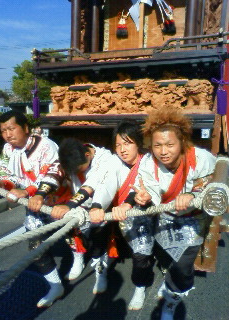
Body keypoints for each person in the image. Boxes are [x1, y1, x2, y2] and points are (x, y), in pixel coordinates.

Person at [123, 108, 216, 320]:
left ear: (182, 141)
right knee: (140, 241)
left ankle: (172, 299)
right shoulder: (148, 162)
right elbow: (148, 190)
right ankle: (143, 283)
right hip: (162, 213)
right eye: (157, 145)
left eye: (169, 144)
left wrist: (193, 194)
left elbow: (212, 186)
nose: (163, 151)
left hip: (192, 217)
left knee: (183, 267)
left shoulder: (201, 159)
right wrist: (144, 197)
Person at [0, 110, 64, 308]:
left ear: (26, 128)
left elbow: (55, 172)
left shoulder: (46, 145)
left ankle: (82, 258)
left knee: (73, 236)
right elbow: (7, 174)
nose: (8, 134)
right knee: (35, 245)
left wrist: (31, 191)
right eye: (3, 130)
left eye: (11, 128)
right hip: (33, 204)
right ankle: (55, 285)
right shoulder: (7, 150)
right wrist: (1, 183)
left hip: (58, 200)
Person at [89, 119, 158, 309]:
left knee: (141, 252)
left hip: (142, 211)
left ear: (138, 143)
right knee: (96, 230)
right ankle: (100, 271)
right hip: (117, 210)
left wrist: (127, 205)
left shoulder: (149, 161)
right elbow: (106, 185)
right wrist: (96, 206)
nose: (122, 149)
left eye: (127, 143)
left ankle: (140, 286)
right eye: (118, 144)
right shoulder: (114, 161)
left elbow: (142, 185)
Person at [28, 137, 113, 284]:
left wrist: (69, 206)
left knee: (98, 238)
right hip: (77, 205)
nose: (74, 173)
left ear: (88, 155)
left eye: (78, 170)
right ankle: (78, 257)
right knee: (68, 227)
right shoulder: (68, 155)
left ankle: (100, 266)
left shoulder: (106, 158)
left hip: (99, 205)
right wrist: (40, 194)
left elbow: (92, 183)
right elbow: (54, 173)